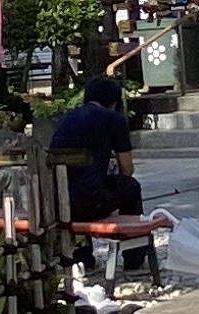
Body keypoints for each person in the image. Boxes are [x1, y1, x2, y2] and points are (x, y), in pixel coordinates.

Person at [44, 72, 141, 218]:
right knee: (131, 186)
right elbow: (127, 170)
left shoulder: (67, 117)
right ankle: (134, 237)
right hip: (90, 203)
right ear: (114, 103)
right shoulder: (114, 118)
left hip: (58, 202)